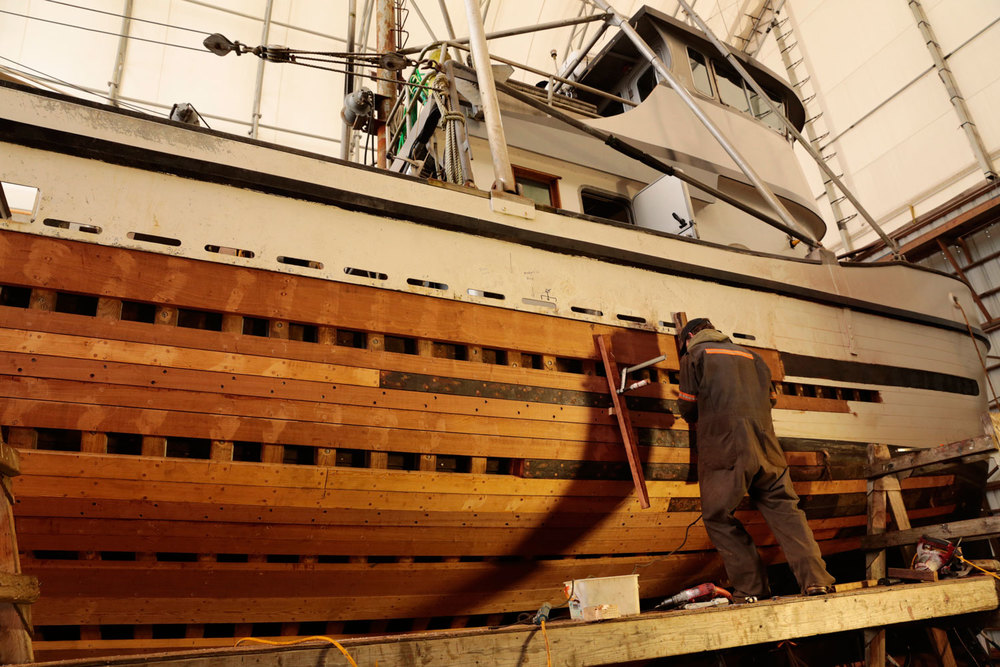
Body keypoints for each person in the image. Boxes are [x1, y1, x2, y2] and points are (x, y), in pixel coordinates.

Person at [677, 317, 834, 602]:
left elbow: (688, 409)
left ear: (688, 338)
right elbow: (770, 400)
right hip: (767, 446)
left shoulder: (695, 356)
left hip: (727, 447)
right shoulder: (754, 357)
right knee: (787, 511)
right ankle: (816, 582)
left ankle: (752, 588)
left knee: (717, 516)